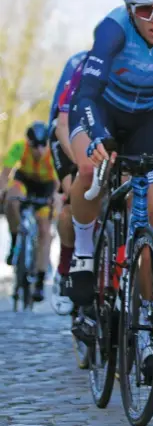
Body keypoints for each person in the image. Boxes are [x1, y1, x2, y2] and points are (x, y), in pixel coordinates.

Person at [65, 0, 153, 383]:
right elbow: (86, 93)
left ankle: (150, 327)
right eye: (145, 9)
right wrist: (97, 138)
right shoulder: (112, 30)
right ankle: (82, 254)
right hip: (104, 112)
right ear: (130, 10)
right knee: (85, 167)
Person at [0, 121, 59, 302]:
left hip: (46, 187)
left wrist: (55, 199)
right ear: (29, 142)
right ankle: (15, 238)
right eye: (35, 146)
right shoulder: (19, 147)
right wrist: (3, 192)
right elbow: (5, 174)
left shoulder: (53, 154)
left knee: (44, 231)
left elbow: (58, 184)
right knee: (12, 198)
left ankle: (40, 281)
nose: (39, 151)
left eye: (43, 145)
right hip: (24, 182)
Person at [48, 51, 88, 304]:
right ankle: (65, 268)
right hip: (67, 139)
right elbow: (61, 127)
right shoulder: (78, 72)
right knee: (73, 202)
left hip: (100, 136)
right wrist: (79, 162)